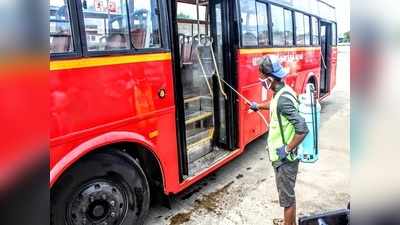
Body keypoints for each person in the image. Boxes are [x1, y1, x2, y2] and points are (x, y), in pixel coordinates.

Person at [250, 55, 309, 225]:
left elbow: (302, 129)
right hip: (282, 158)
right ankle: (288, 222)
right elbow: (276, 104)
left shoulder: (282, 99)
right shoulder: (283, 91)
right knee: (287, 196)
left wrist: (287, 148)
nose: (260, 81)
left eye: (261, 78)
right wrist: (259, 106)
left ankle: (288, 222)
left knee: (287, 201)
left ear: (269, 79)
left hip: (285, 160)